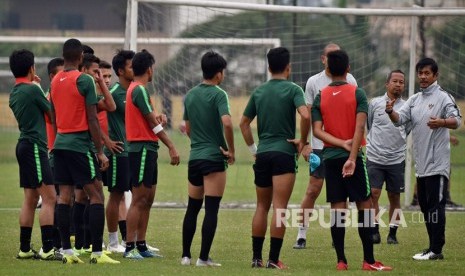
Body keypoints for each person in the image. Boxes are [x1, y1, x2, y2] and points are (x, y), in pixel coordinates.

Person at [312, 50, 392, 271]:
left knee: (338, 208)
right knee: (365, 206)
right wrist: (353, 156)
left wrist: (339, 143)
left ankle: (341, 261)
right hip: (353, 159)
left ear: (328, 71)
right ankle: (368, 261)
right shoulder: (358, 93)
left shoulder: (320, 96)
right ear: (348, 68)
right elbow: (359, 128)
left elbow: (317, 131)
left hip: (331, 159)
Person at [240, 47, 310, 269]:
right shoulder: (293, 89)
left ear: (269, 68)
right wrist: (302, 140)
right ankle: (273, 260)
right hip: (283, 154)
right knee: (280, 207)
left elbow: (243, 123)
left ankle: (256, 258)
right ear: (288, 68)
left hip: (263, 154)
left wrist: (254, 149)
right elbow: (306, 114)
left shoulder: (259, 91)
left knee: (262, 206)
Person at [50, 38, 119, 264]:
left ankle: (67, 252)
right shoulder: (84, 80)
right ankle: (98, 253)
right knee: (97, 194)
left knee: (64, 197)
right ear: (80, 57)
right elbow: (92, 118)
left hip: (59, 145)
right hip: (79, 146)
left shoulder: (55, 81)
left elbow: (53, 115)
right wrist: (99, 151)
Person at [386, 57, 461, 261]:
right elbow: (400, 121)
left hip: (437, 165)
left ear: (435, 75)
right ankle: (431, 247)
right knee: (427, 207)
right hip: (421, 165)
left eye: (427, 73)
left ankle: (437, 249)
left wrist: (442, 122)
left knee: (436, 206)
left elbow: (457, 122)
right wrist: (391, 111)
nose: (423, 76)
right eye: (420, 73)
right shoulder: (415, 99)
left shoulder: (444, 97)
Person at [294, 43, 357, 249]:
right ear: (323, 59)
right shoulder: (313, 82)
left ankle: (337, 236)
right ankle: (301, 234)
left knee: (342, 193)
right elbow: (309, 115)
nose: (334, 59)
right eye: (331, 56)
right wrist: (305, 144)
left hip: (342, 146)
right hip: (320, 147)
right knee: (313, 190)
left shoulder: (351, 80)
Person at [123, 49, 180, 259]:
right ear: (149, 69)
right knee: (139, 199)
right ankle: (129, 247)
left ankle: (142, 245)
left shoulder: (138, 90)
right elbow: (152, 125)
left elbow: (150, 119)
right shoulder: (138, 90)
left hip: (148, 149)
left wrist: (158, 118)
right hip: (141, 150)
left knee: (148, 199)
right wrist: (172, 146)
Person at [180, 51, 235, 267]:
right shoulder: (219, 94)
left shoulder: (191, 95)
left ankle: (185, 256)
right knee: (211, 209)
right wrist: (230, 150)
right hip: (214, 157)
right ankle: (203, 258)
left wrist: (198, 142)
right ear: (219, 73)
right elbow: (228, 123)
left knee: (192, 207)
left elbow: (188, 127)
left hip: (195, 157)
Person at [9, 49, 61, 260]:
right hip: (34, 147)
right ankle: (48, 249)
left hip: (24, 146)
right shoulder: (33, 89)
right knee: (50, 197)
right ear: (31, 68)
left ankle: (24, 249)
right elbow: (51, 113)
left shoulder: (15, 92)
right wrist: (39, 86)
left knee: (30, 198)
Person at [366, 70, 410, 245]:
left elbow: (407, 130)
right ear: (387, 84)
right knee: (373, 195)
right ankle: (374, 230)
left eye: (401, 82)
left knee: (394, 196)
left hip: (396, 159)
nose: (398, 85)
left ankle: (392, 233)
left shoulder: (408, 107)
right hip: (375, 157)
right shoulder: (375, 103)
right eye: (395, 81)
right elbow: (369, 126)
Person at [105, 50, 135, 253]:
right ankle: (113, 242)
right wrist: (107, 142)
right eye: (132, 66)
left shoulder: (133, 91)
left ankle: (132, 241)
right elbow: (96, 120)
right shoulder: (114, 93)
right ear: (121, 71)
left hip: (132, 151)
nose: (136, 69)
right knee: (116, 196)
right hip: (118, 153)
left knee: (131, 196)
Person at [45, 57, 65, 252]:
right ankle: (55, 244)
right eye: (60, 73)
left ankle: (60, 243)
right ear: (52, 76)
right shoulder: (51, 97)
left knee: (63, 199)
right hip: (55, 153)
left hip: (61, 152)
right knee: (58, 199)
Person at [411, 135, 461, 208]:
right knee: (425, 172)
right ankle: (417, 198)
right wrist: (449, 137)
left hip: (432, 145)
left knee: (445, 169)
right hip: (427, 145)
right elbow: (432, 129)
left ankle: (417, 198)